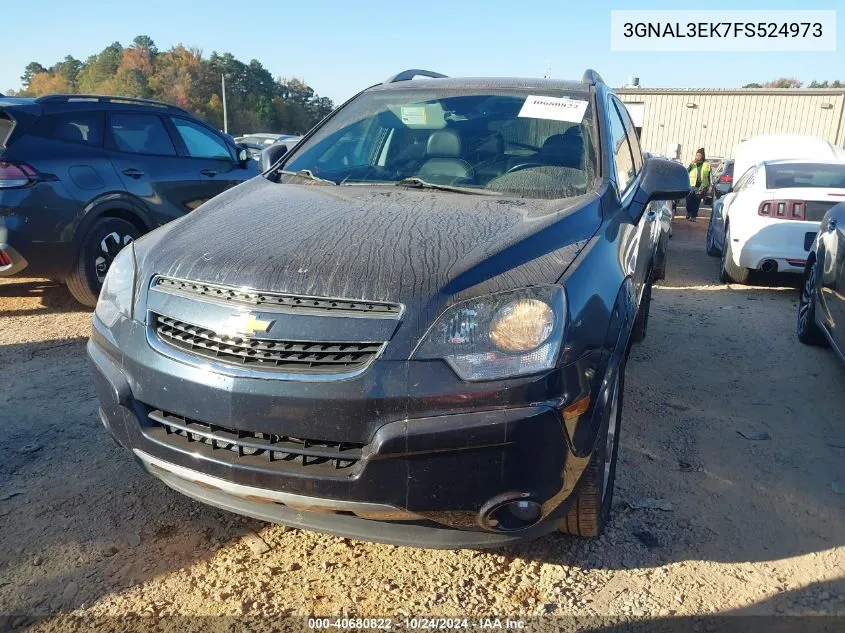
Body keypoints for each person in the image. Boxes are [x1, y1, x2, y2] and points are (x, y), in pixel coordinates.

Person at [685, 148, 710, 222]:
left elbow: (707, 176)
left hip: (700, 186)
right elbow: (686, 171)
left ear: (703, 156)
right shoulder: (693, 164)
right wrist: (691, 164)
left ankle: (693, 216)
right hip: (691, 185)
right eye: (697, 155)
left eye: (699, 155)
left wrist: (705, 186)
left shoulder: (706, 164)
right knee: (689, 200)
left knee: (696, 202)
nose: (698, 157)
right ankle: (689, 212)